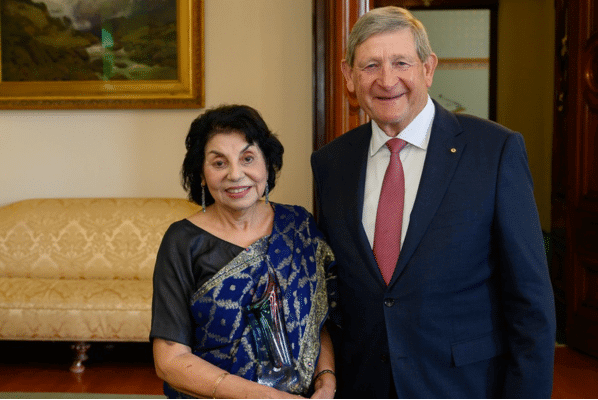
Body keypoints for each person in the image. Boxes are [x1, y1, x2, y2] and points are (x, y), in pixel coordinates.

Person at [311, 6, 556, 399]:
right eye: (371, 65)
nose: (387, 80)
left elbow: (531, 303)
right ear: (348, 77)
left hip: (463, 386)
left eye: (401, 62)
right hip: (363, 385)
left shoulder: (494, 151)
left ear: (428, 68)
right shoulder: (330, 163)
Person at [151, 104, 336, 399]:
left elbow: (319, 320)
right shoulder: (182, 241)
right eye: (219, 163)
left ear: (267, 165)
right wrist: (265, 397)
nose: (236, 175)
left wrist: (326, 382)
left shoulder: (299, 226)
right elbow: (170, 361)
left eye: (247, 158)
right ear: (201, 174)